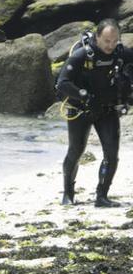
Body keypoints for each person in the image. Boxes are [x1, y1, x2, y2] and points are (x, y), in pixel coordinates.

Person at [57, 18, 133, 207]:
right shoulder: (82, 55)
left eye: (115, 41)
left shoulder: (121, 53)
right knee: (76, 151)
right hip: (81, 110)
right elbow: (62, 83)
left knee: (112, 154)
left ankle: (102, 196)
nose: (110, 45)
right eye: (107, 41)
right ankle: (68, 193)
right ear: (98, 37)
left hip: (107, 110)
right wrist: (84, 96)